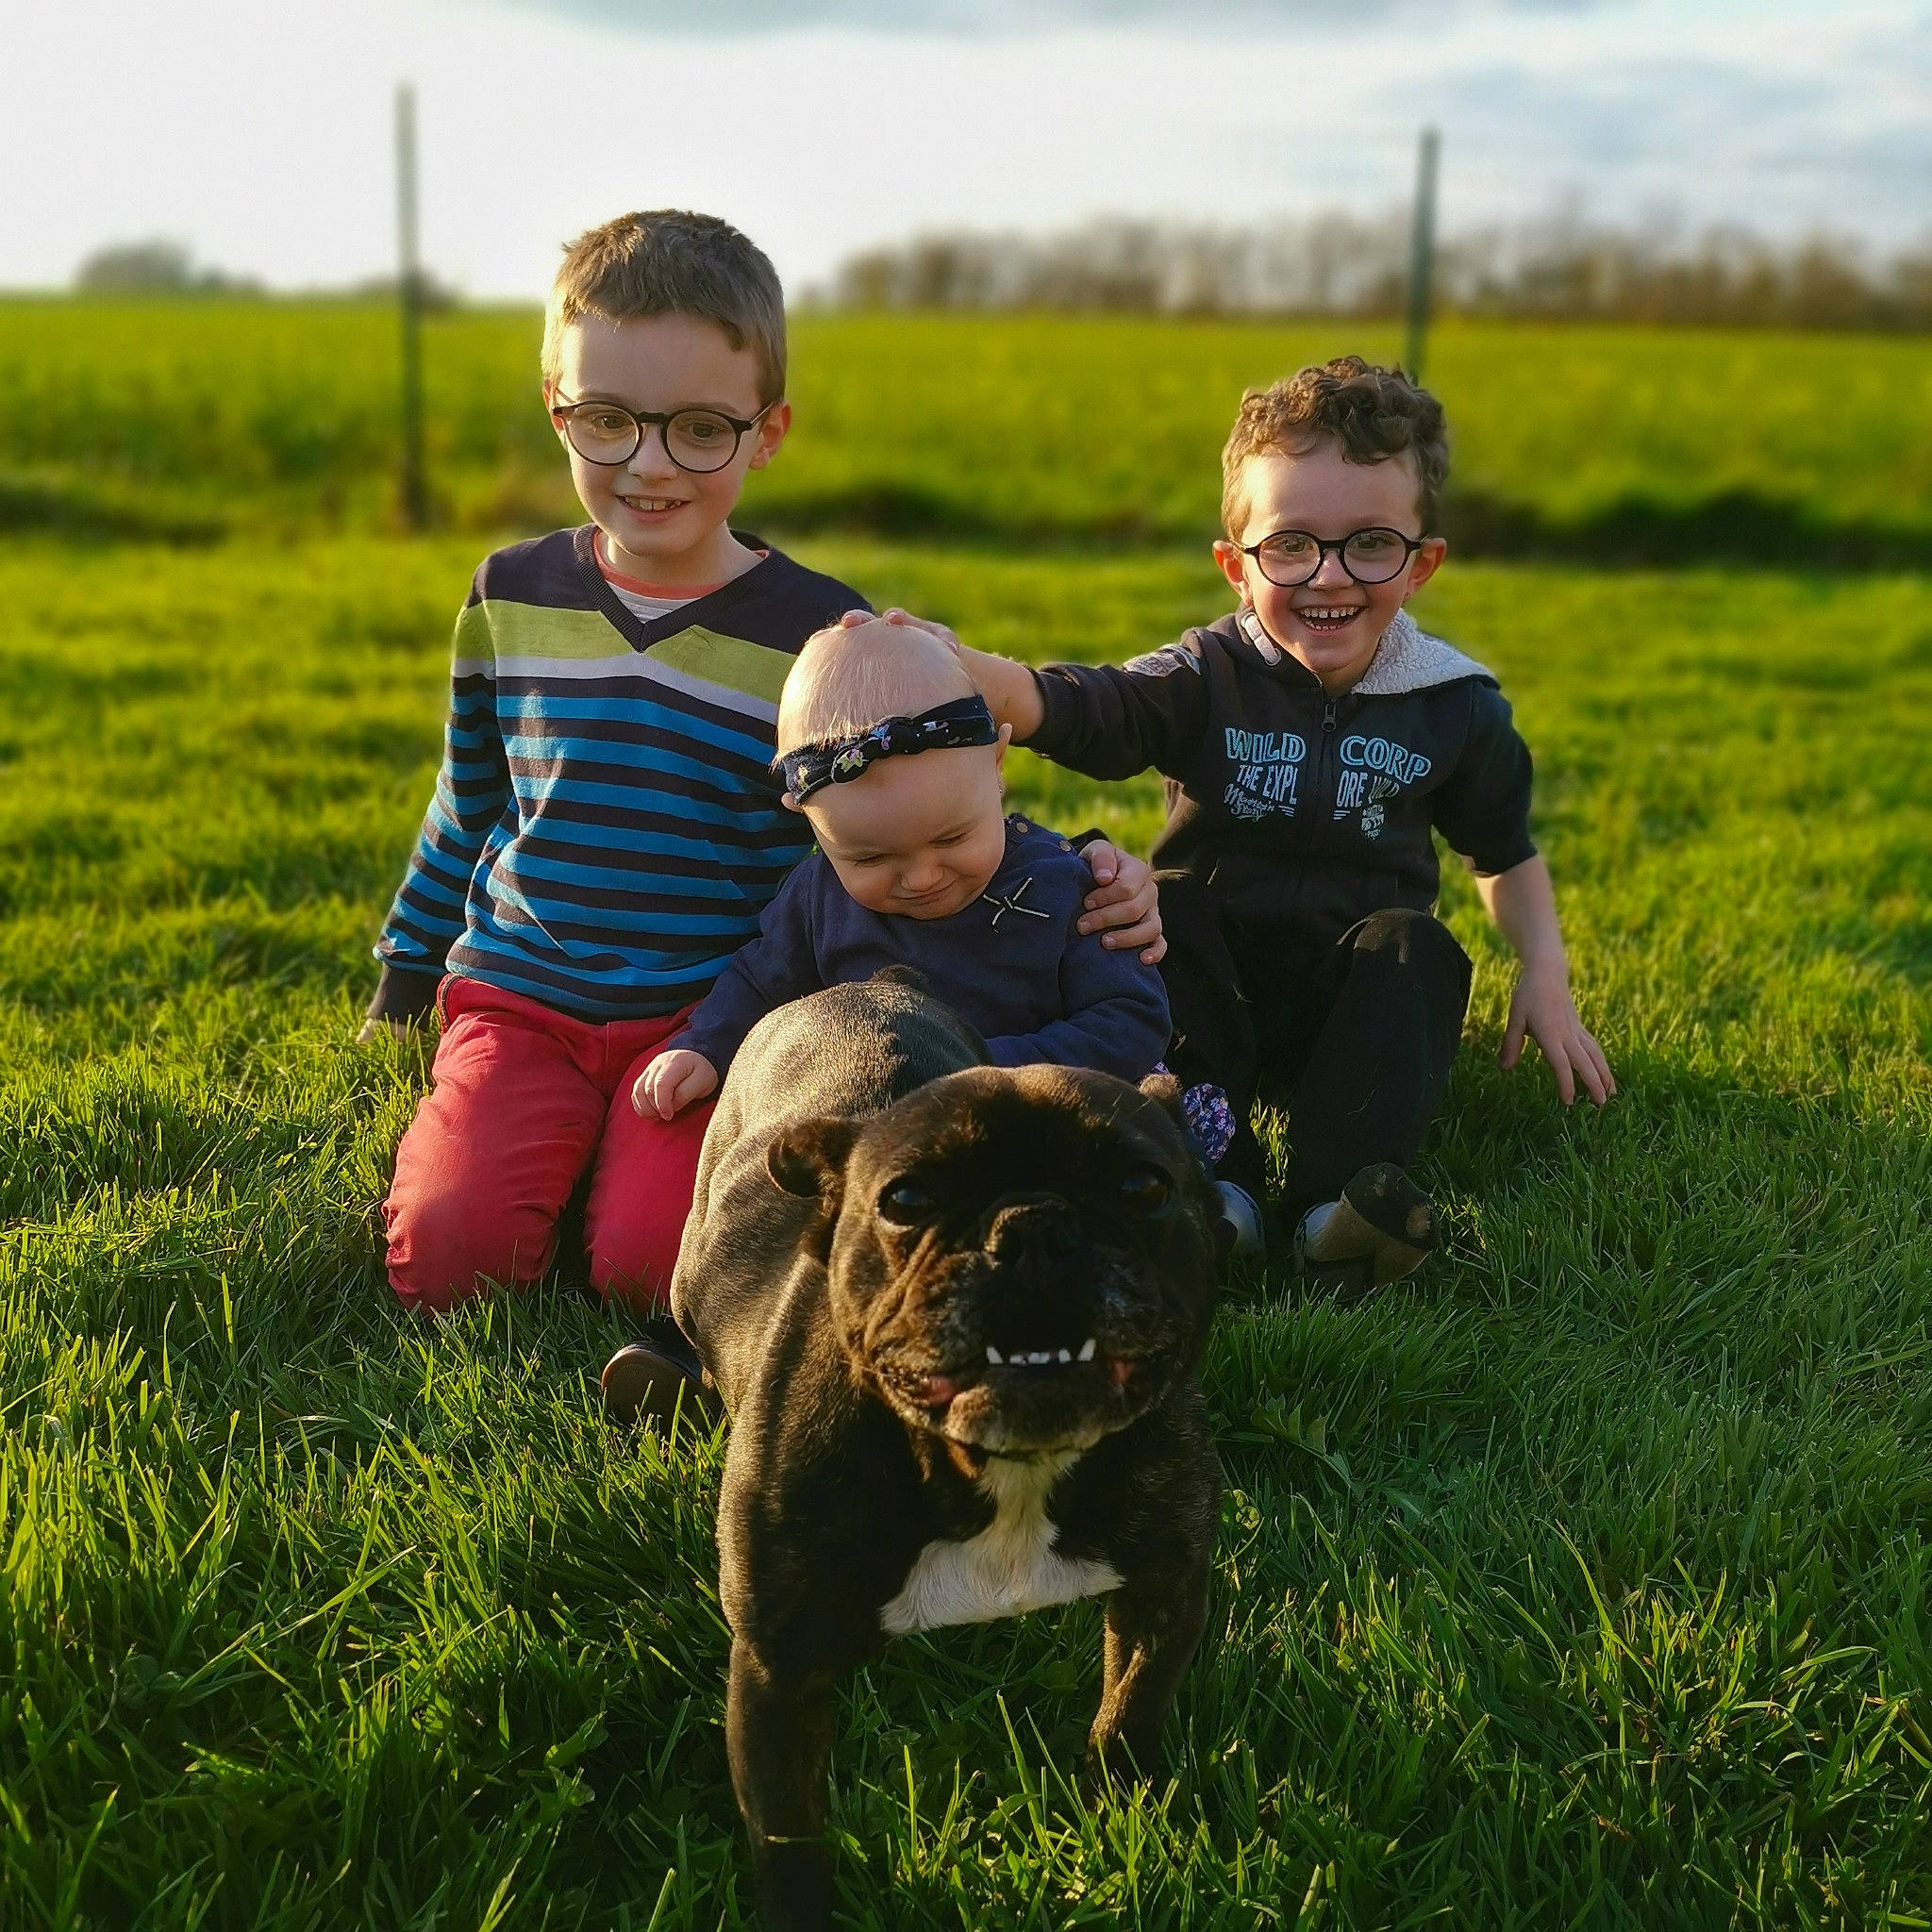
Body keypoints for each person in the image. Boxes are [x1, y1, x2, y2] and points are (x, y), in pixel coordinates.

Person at [362, 209, 1161, 1315]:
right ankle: (515, 1150)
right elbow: (472, 796)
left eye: (699, 428)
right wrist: (408, 974)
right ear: (558, 408)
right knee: (448, 1268)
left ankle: (614, 1176)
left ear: (766, 429)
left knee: (653, 1275)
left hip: (719, 1015)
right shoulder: (511, 593)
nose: (648, 464)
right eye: (606, 420)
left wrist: (1076, 871)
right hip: (523, 997)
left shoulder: (818, 633)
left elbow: (907, 805)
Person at [944, 356, 1615, 1291]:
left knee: (1415, 948)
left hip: (1351, 1001)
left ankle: (1333, 1209)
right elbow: (1093, 711)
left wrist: (1544, 969)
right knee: (1161, 909)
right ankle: (1216, 1191)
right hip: (1209, 993)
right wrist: (964, 669)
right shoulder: (1203, 673)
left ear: (1420, 563)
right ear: (1234, 563)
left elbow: (1500, 850)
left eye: (1368, 544)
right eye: (1290, 545)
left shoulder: (1455, 705)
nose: (1326, 577)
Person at [631, 616, 1173, 1124]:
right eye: (871, 858)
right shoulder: (819, 899)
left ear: (998, 763)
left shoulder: (1070, 889)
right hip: (884, 1139)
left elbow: (1130, 1020)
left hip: (1047, 1123)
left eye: (952, 837)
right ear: (811, 823)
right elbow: (759, 982)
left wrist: (981, 1071)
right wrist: (706, 1047)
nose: (921, 877)